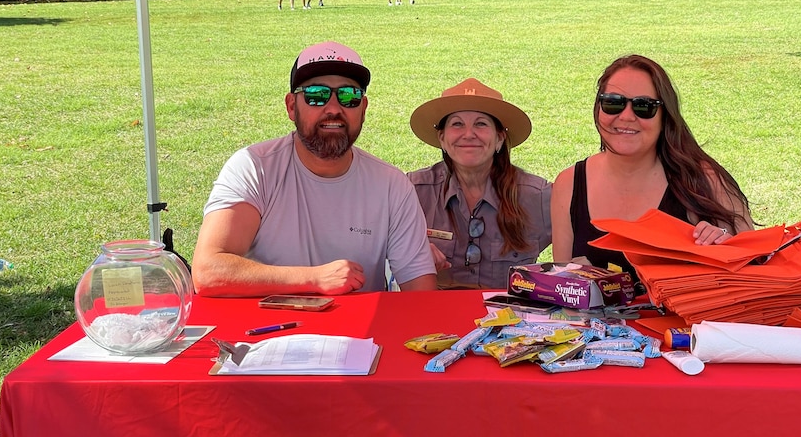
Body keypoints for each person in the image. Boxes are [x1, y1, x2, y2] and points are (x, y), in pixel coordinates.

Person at [192, 41, 437, 295]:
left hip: (360, 334)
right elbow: (208, 271)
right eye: (316, 95)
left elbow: (421, 292)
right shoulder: (255, 167)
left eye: (349, 96)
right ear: (291, 106)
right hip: (270, 332)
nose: (333, 109)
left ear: (363, 109)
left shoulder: (391, 185)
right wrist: (313, 279)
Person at [551, 54, 752, 276]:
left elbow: (757, 267)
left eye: (643, 106)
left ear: (665, 116)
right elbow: (561, 291)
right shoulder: (569, 184)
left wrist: (724, 246)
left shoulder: (703, 180)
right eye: (613, 103)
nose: (626, 116)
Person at [408, 78, 551, 289]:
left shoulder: (537, 197)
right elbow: (370, 242)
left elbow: (585, 244)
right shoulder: (412, 191)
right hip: (435, 316)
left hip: (508, 319)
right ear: (442, 138)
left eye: (481, 124)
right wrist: (410, 251)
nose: (468, 134)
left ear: (500, 138)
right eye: (457, 124)